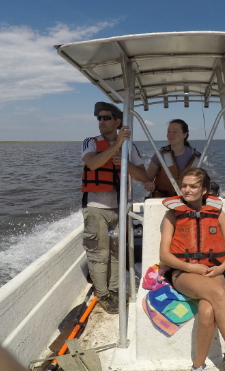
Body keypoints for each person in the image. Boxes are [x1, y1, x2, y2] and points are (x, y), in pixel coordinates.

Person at [159, 168, 225, 371]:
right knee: (217, 293)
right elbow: (164, 256)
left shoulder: (217, 214)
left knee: (207, 309)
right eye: (184, 185)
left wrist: (221, 268)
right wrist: (191, 267)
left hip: (215, 271)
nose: (187, 190)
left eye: (193, 186)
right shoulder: (172, 215)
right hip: (184, 272)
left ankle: (198, 366)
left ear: (204, 190)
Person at [82, 101, 148, 314]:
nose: (101, 121)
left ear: (117, 121)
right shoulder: (90, 143)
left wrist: (126, 162)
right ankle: (103, 295)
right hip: (97, 208)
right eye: (99, 118)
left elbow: (145, 177)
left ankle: (115, 289)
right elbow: (92, 164)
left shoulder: (131, 148)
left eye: (106, 118)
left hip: (121, 209)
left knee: (118, 251)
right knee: (100, 253)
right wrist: (117, 145)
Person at [144, 119, 201, 197]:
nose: (170, 135)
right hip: (161, 200)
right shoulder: (160, 155)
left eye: (175, 131)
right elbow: (147, 178)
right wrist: (148, 183)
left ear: (185, 134)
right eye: (168, 131)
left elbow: (200, 181)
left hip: (187, 200)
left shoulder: (196, 157)